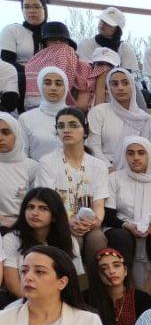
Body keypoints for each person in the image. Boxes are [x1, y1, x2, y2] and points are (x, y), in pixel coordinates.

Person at [35, 107, 111, 262]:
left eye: (73, 125)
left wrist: (95, 221)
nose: (66, 130)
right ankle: (71, 278)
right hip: (58, 223)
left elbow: (99, 205)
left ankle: (95, 279)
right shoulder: (47, 163)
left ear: (85, 131)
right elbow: (47, 202)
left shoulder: (99, 165)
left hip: (87, 224)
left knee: (97, 238)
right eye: (61, 126)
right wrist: (67, 222)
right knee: (71, 239)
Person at [103, 137, 151, 265]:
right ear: (125, 156)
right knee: (121, 237)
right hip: (121, 226)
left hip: (150, 229)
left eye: (141, 153)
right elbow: (108, 216)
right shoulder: (114, 179)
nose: (135, 158)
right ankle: (124, 276)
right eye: (130, 153)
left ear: (149, 155)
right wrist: (127, 225)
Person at [2, 188, 83, 298]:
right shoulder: (12, 238)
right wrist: (38, 304)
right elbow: (12, 284)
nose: (34, 213)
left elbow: (74, 281)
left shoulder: (69, 241)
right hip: (22, 300)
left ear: (54, 215)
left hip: (59, 301)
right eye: (30, 207)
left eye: (43, 208)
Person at [23, 23, 93, 110]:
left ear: (68, 44)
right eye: (53, 40)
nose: (58, 43)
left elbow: (82, 105)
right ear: (45, 44)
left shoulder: (83, 68)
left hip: (70, 114)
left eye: (62, 40)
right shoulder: (32, 65)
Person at [20, 68, 69, 160]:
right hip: (36, 168)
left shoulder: (76, 117)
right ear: (40, 86)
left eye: (58, 84)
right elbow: (22, 154)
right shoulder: (26, 118)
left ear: (66, 87)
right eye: (47, 83)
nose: (53, 88)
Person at [0, 113, 38, 228]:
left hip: (27, 226)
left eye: (6, 132)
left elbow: (40, 202)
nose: (0, 138)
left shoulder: (32, 167)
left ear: (17, 134)